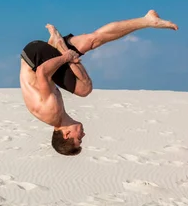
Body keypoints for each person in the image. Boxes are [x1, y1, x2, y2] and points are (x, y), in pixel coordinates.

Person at [19, 10, 178, 156]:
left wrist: (67, 57)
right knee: (92, 40)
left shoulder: (51, 112)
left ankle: (59, 45)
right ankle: (148, 20)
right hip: (36, 56)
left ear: (66, 135)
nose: (83, 135)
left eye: (79, 139)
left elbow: (42, 73)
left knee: (84, 89)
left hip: (36, 59)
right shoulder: (55, 116)